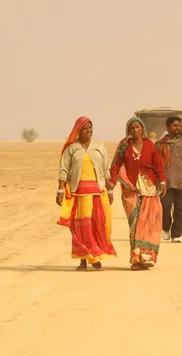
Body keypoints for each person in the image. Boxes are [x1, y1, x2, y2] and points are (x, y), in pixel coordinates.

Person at [57, 116, 117, 271]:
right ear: (78, 131)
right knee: (81, 227)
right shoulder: (72, 148)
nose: (88, 131)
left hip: (98, 192)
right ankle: (83, 259)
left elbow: (106, 168)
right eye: (85, 128)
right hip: (78, 193)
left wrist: (110, 190)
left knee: (97, 224)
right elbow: (64, 169)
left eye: (90, 128)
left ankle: (96, 258)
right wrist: (60, 189)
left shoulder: (99, 145)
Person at [108, 117, 167, 270]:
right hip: (131, 190)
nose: (135, 131)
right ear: (128, 131)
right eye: (132, 128)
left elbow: (159, 165)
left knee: (148, 223)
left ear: (142, 130)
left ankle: (146, 257)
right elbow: (115, 165)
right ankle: (135, 259)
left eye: (138, 128)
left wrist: (162, 182)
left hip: (150, 189)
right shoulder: (124, 147)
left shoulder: (150, 145)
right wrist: (112, 183)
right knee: (135, 224)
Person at [155, 116, 182, 243]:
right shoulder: (159, 144)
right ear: (167, 127)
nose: (177, 128)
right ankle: (166, 228)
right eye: (174, 125)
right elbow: (154, 164)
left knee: (181, 209)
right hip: (165, 183)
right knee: (165, 207)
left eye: (179, 125)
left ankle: (176, 235)